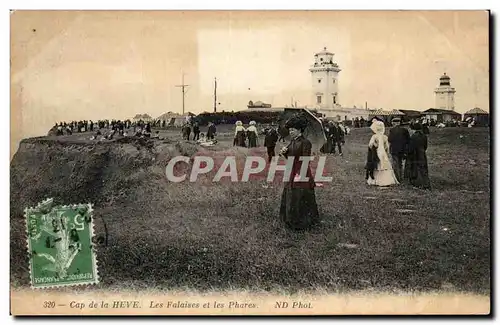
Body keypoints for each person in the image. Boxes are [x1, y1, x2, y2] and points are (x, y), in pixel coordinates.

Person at [279, 113, 320, 231]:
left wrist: (300, 173)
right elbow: (290, 156)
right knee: (291, 193)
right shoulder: (293, 141)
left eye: (293, 130)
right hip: (292, 169)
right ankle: (290, 219)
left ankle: (303, 221)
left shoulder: (305, 142)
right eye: (290, 130)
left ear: (300, 130)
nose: (291, 132)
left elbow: (305, 159)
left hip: (301, 171)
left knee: (300, 194)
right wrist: (284, 152)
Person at [366, 120, 399, 187]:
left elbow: (370, 145)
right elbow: (387, 146)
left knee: (377, 164)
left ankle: (376, 180)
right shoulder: (385, 137)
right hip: (383, 153)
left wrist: (376, 145)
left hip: (377, 152)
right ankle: (387, 180)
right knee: (384, 164)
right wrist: (385, 151)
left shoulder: (374, 136)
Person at [406, 123, 431, 189]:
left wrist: (408, 153)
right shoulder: (424, 136)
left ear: (414, 129)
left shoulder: (413, 136)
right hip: (422, 153)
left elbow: (411, 147)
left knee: (416, 169)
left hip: (415, 154)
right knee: (424, 168)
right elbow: (425, 146)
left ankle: (418, 184)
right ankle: (426, 184)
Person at [388, 118, 410, 182]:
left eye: (393, 122)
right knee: (400, 163)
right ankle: (401, 177)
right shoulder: (405, 130)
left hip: (394, 150)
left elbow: (390, 139)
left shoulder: (392, 130)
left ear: (395, 123)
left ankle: (397, 178)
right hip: (402, 150)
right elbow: (408, 140)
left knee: (395, 164)